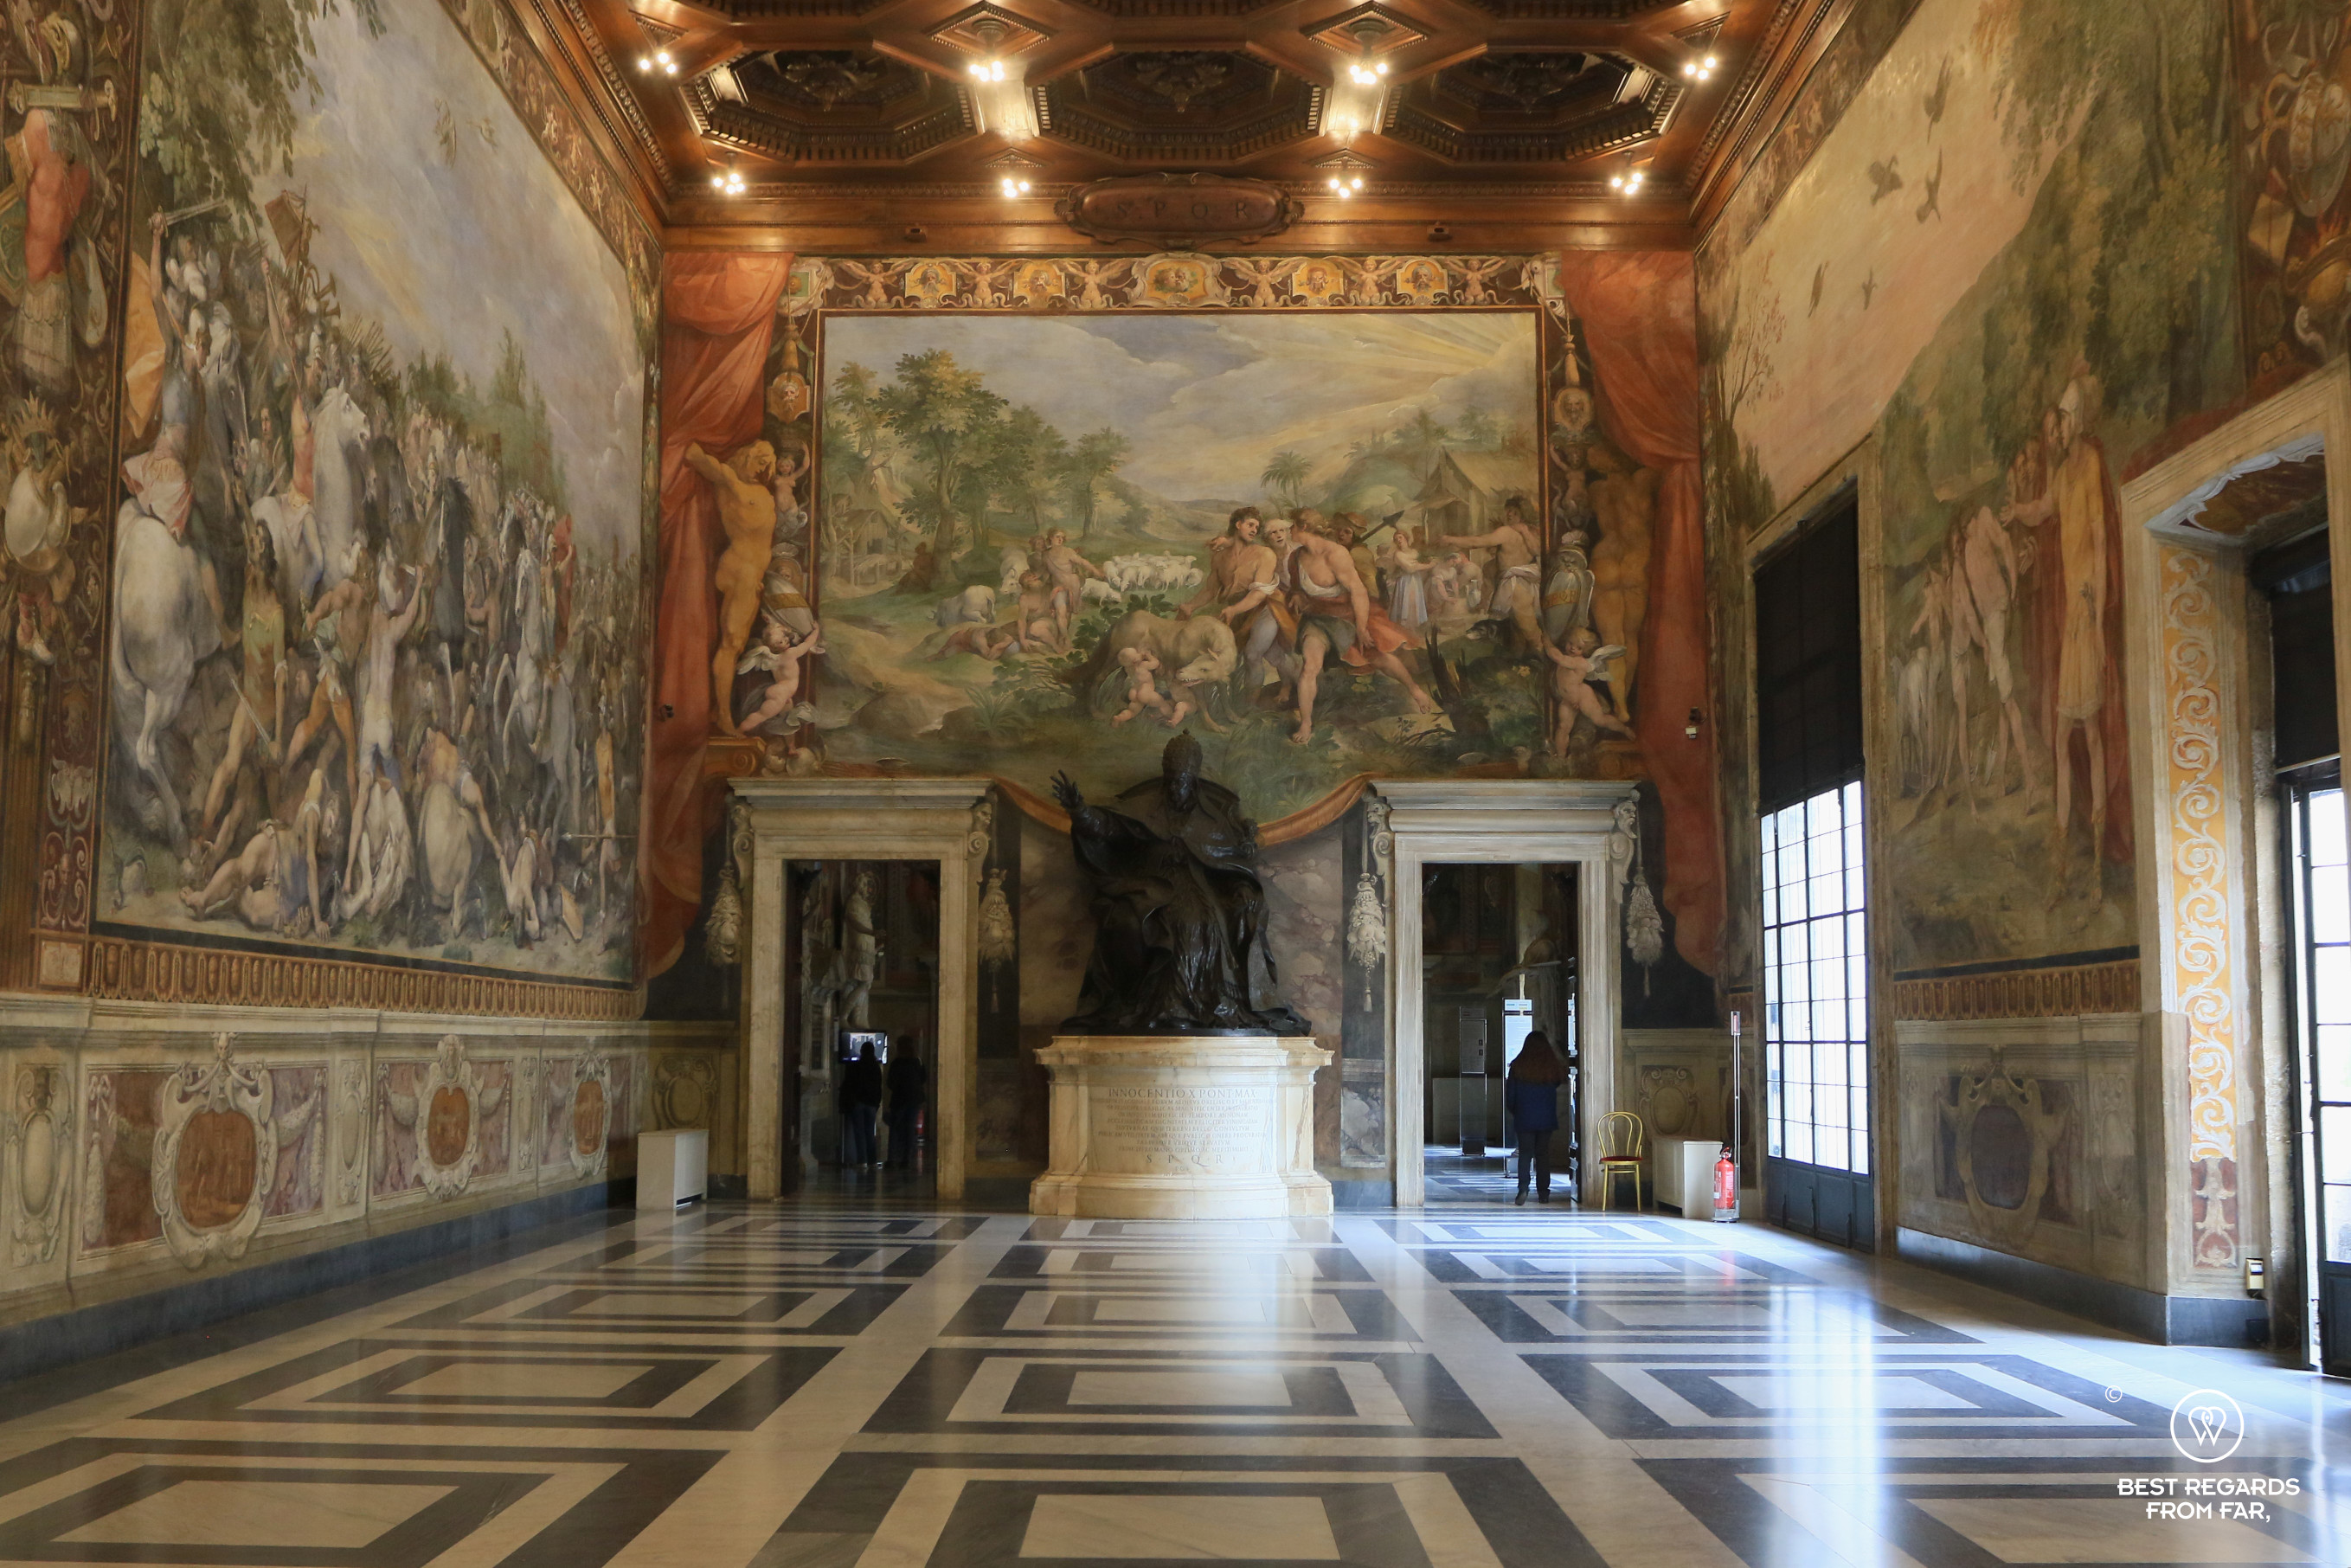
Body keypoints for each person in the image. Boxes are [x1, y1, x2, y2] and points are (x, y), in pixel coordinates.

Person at [1506, 1031, 1566, 1205]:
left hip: (1524, 1116)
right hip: (1546, 1117)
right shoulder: (1551, 1067)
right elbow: (1557, 1084)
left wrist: (1516, 1111)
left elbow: (1510, 1096)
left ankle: (1523, 1188)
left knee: (1525, 1154)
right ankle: (1543, 1192)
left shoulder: (1518, 1066)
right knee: (1543, 1154)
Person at [884, 1039, 928, 1170]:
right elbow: (923, 1078)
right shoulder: (917, 1062)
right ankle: (907, 1159)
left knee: (895, 1129)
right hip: (914, 1100)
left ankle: (892, 1159)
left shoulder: (896, 1063)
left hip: (899, 1100)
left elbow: (890, 1082)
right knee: (910, 1129)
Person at [840, 1038, 883, 1170]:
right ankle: (873, 1161)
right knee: (870, 1133)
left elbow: (849, 1085)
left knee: (859, 1133)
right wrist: (877, 1103)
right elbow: (878, 1087)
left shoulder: (855, 1066)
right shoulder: (876, 1067)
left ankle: (862, 1161)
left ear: (861, 1051)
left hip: (858, 1102)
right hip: (871, 1103)